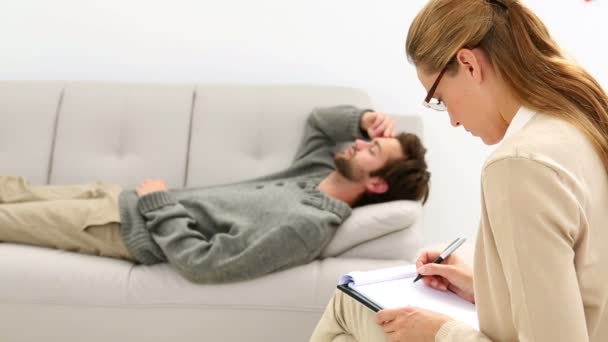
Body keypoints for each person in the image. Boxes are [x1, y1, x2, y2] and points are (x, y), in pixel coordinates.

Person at [310, 0, 608, 341]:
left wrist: (441, 333)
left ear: (468, 64)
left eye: (438, 97)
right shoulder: (584, 122)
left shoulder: (519, 166)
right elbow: (584, 288)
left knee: (347, 305)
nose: (452, 120)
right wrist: (484, 287)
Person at [0, 105, 431, 284]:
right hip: (118, 197)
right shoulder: (316, 171)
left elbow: (207, 264)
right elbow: (321, 122)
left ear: (376, 184)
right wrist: (367, 120)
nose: (357, 144)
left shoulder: (308, 225)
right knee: (11, 190)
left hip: (119, 227)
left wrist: (157, 204)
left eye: (371, 150)